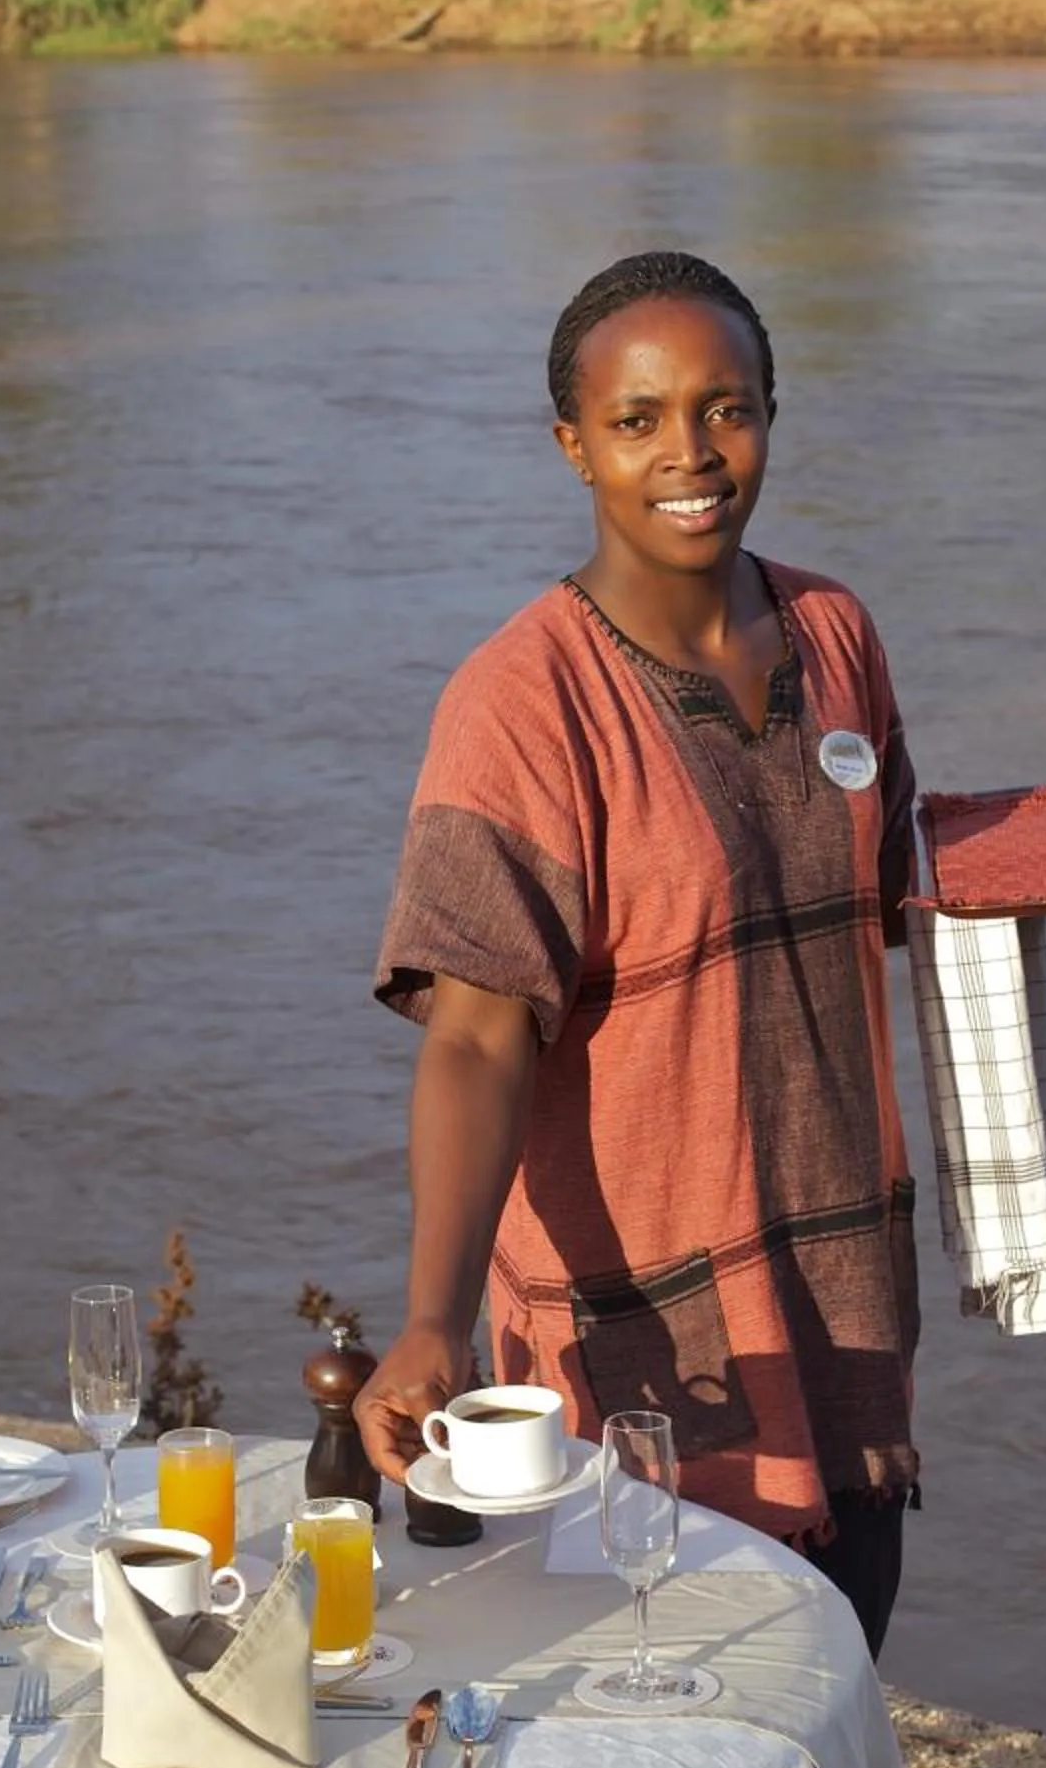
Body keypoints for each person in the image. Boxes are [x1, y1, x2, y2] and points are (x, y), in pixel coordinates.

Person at [358, 249, 921, 1659]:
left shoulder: (836, 635)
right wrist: (430, 1321)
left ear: (772, 415)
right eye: (638, 420)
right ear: (574, 445)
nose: (691, 454)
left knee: (823, 1690)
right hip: (646, 1347)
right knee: (648, 1719)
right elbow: (478, 1033)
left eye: (727, 410)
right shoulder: (522, 702)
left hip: (839, 1301)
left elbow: (898, 895)